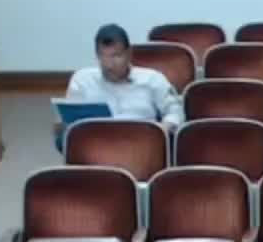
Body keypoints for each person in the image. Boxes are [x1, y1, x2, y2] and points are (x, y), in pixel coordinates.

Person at [55, 24, 184, 150]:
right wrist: (63, 126)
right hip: (97, 145)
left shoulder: (152, 79)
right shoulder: (82, 80)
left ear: (129, 53)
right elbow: (69, 121)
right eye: (103, 56)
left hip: (142, 145)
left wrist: (164, 128)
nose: (109, 65)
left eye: (116, 56)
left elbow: (175, 111)